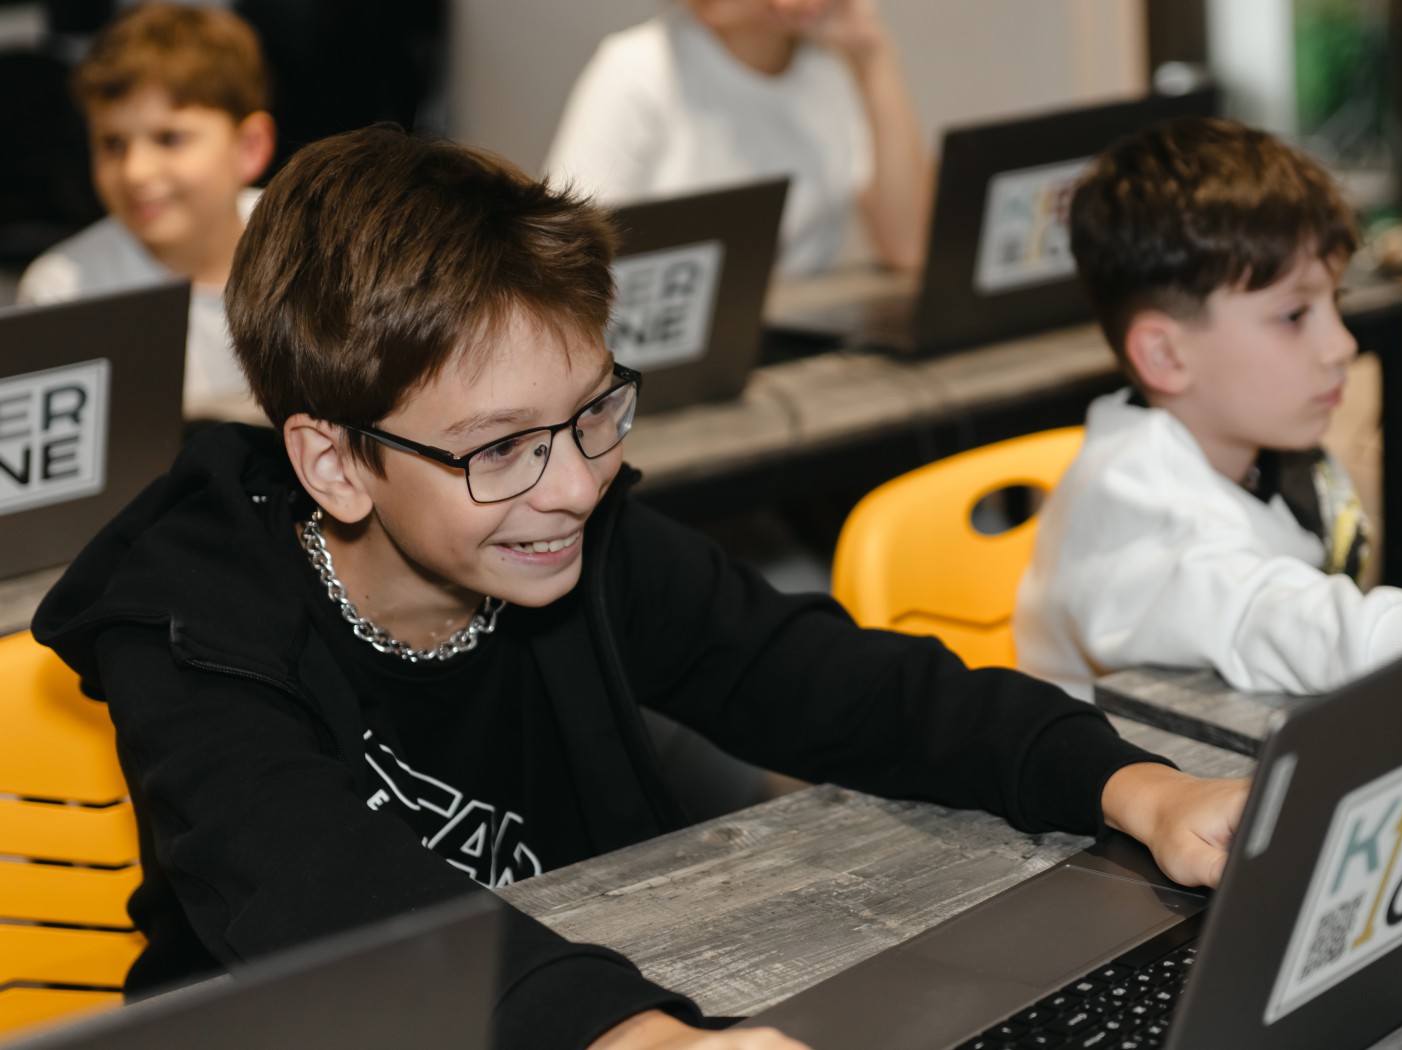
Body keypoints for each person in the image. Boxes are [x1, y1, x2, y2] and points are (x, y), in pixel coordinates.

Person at [33, 127, 1245, 1050]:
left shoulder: (567, 538)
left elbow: (834, 682)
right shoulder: (192, 627)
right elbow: (325, 897)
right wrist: (625, 1034)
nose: (572, 485)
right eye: (500, 448)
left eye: (592, 413)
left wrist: (1129, 785)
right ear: (336, 462)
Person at [1012, 116, 1402, 702]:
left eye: (1335, 300)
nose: (1342, 345)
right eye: (1293, 315)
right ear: (1165, 355)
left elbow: (1299, 607)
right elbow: (1265, 617)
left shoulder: (1262, 450)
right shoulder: (1135, 512)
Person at [17, 1, 275, 420]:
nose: (135, 172)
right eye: (112, 144)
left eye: (169, 138)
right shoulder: (63, 293)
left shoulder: (315, 245)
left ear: (249, 147)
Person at [544, 0, 930, 277]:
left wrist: (871, 51)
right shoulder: (637, 67)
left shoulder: (828, 70)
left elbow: (910, 247)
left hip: (800, 334)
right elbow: (562, 263)